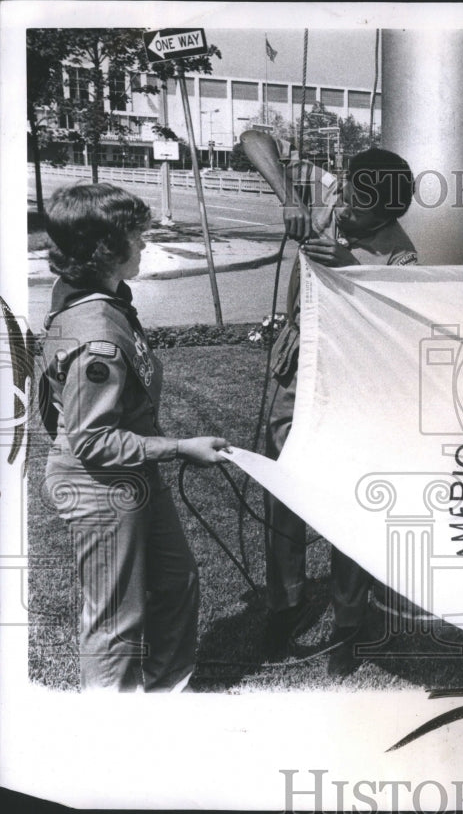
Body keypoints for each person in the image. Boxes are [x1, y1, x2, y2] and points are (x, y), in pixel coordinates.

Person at [40, 183, 230, 691]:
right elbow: (93, 440)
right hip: (99, 482)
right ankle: (110, 733)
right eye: (137, 237)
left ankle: (162, 694)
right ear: (105, 249)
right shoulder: (96, 333)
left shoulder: (99, 295)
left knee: (175, 581)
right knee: (115, 621)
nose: (144, 245)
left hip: (129, 470)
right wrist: (178, 448)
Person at [239, 132, 418, 661]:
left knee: (350, 503)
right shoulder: (329, 195)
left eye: (367, 213)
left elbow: (397, 327)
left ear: (390, 215)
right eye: (348, 198)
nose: (348, 212)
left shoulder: (402, 254)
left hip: (355, 388)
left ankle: (348, 619)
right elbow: (253, 138)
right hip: (300, 379)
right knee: (285, 495)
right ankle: (285, 605)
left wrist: (351, 270)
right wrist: (289, 198)